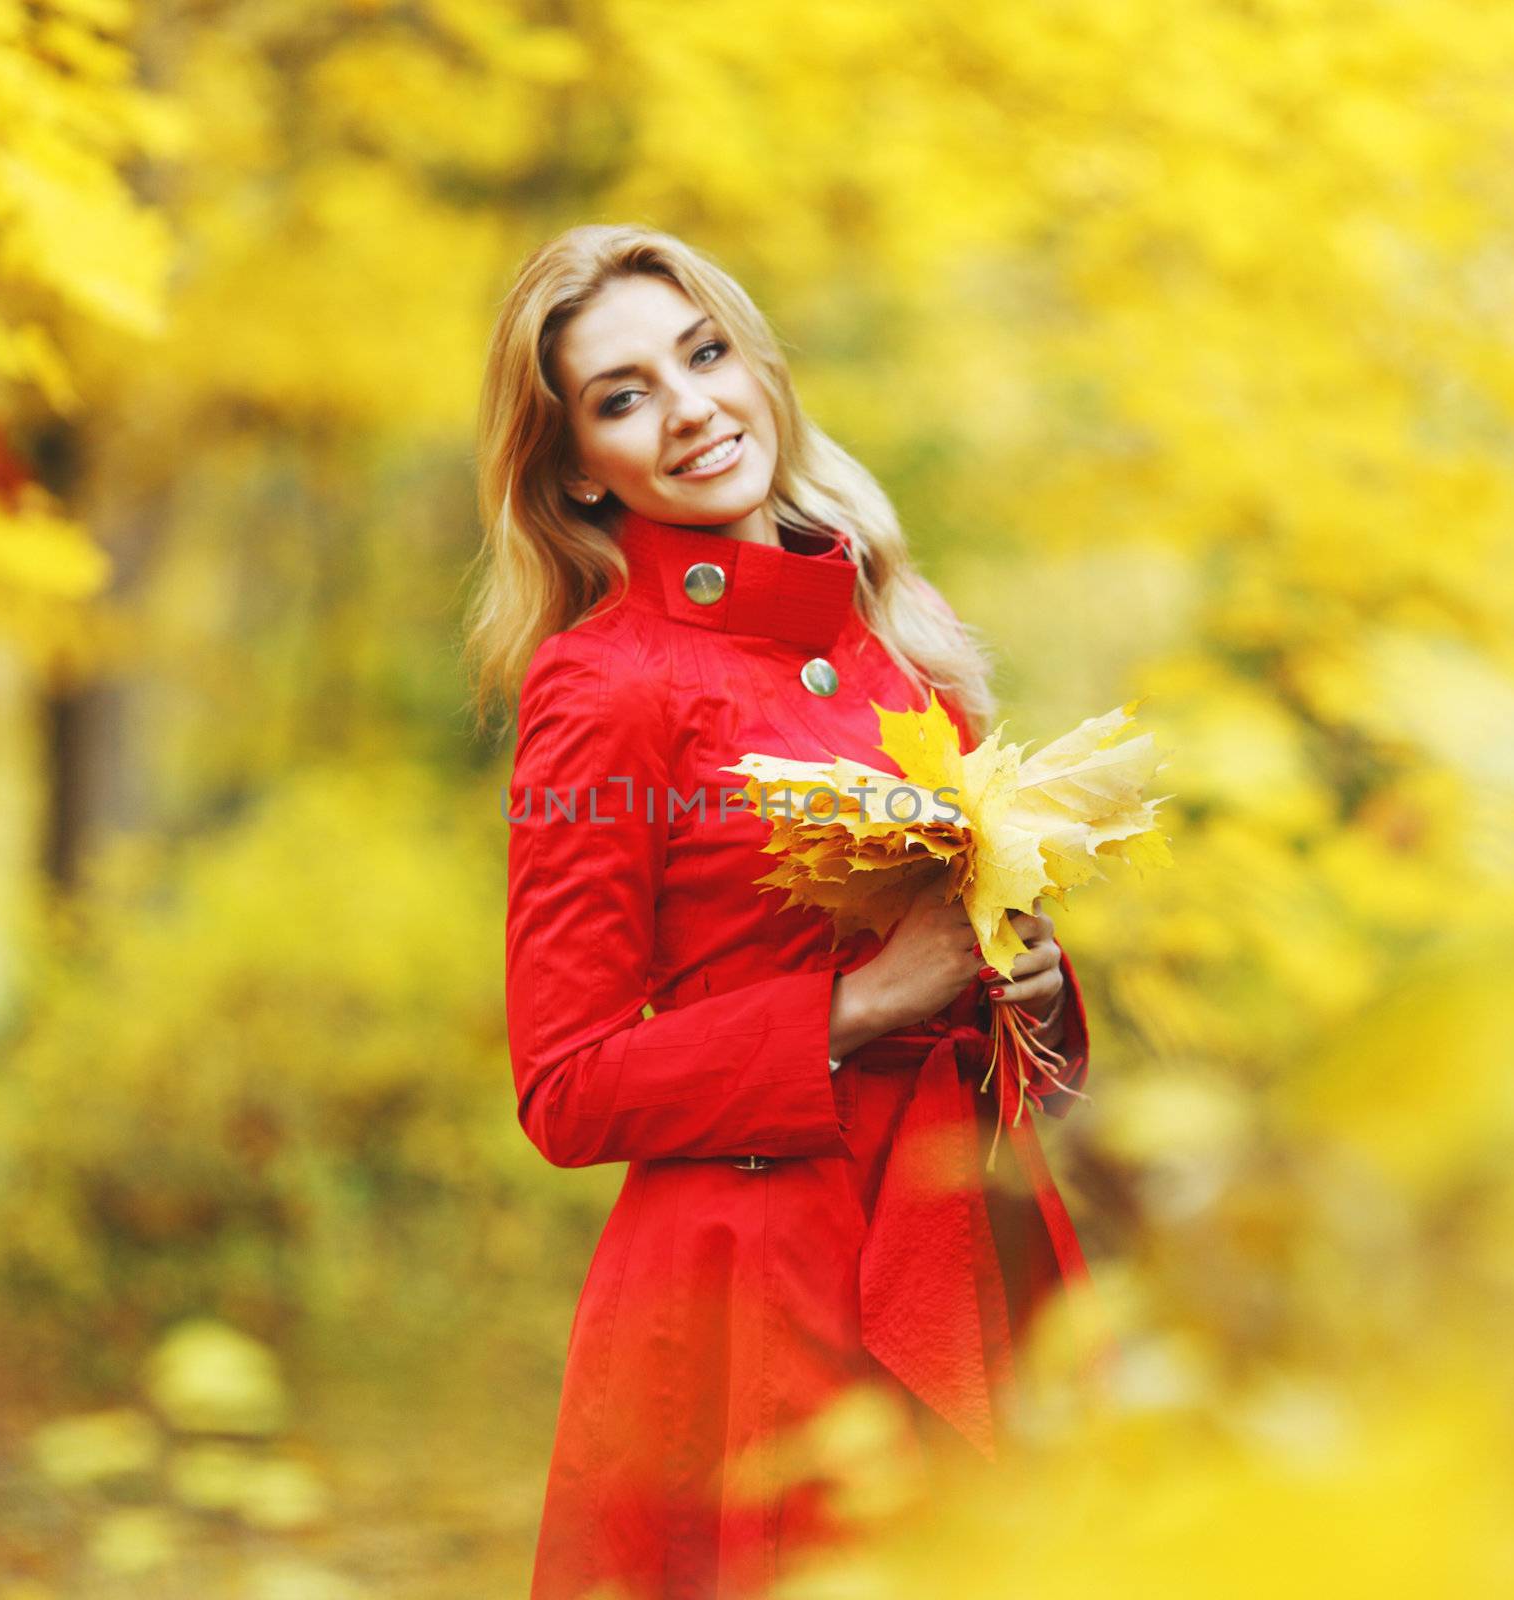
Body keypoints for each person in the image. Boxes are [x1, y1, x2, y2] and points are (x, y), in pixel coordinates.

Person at [465, 223, 1100, 1600]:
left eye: (704, 354)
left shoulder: (893, 630)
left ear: (757, 365)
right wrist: (864, 1002)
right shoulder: (602, 689)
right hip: (757, 1296)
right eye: (623, 395)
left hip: (961, 1238)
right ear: (578, 466)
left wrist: (1032, 983)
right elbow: (564, 1087)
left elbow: (976, 960)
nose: (690, 406)